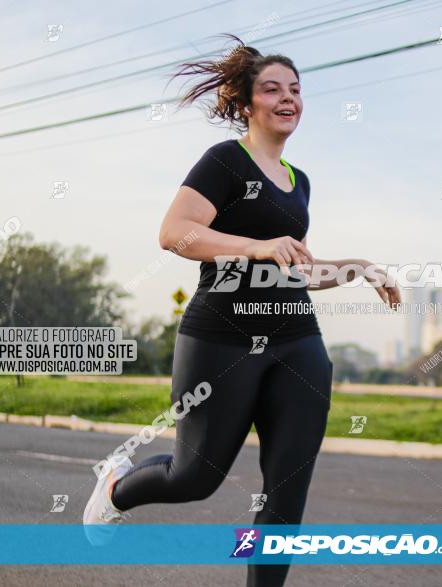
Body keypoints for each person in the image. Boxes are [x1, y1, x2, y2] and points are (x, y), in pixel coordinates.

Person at [83, 33, 401, 586]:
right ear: (247, 102)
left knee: (287, 490)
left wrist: (358, 267)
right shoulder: (225, 161)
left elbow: (297, 266)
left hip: (297, 341)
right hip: (221, 339)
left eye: (296, 90)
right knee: (196, 476)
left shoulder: (300, 184)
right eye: (273, 88)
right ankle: (116, 486)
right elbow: (174, 233)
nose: (288, 99)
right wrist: (254, 245)